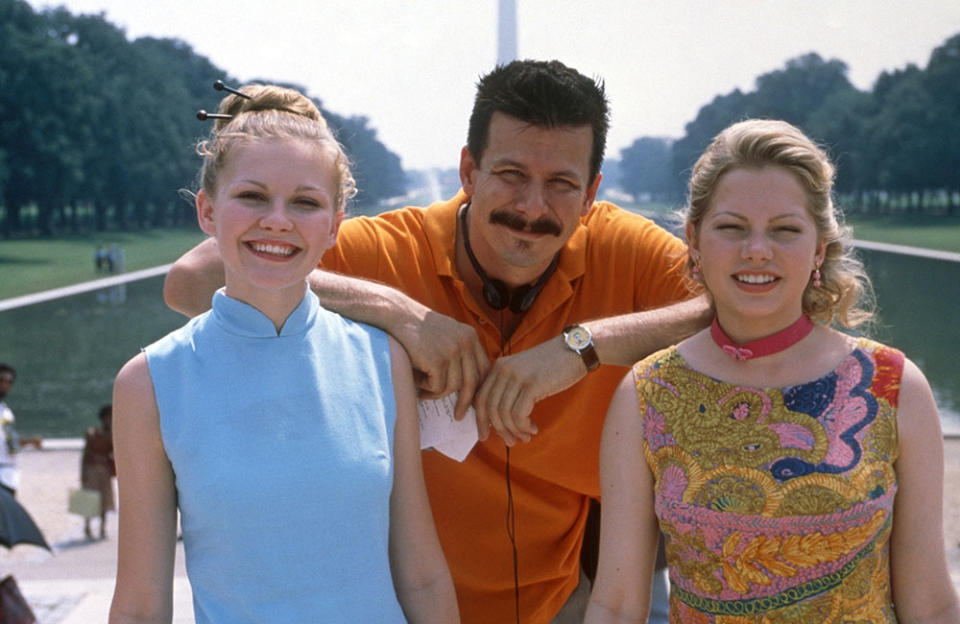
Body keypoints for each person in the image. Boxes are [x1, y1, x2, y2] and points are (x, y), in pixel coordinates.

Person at [165, 60, 711, 624]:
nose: (532, 207)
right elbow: (194, 277)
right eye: (511, 174)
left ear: (592, 192)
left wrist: (584, 347)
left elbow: (746, 314)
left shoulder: (624, 252)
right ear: (468, 171)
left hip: (560, 606)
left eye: (561, 185)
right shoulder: (394, 254)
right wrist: (399, 311)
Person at [585, 119, 960, 623]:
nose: (757, 250)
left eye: (785, 230)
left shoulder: (892, 387)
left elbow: (931, 606)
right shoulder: (647, 394)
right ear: (694, 241)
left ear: (819, 249)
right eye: (732, 227)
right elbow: (616, 605)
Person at [109, 84, 457, 624]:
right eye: (252, 196)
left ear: (335, 223)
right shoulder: (149, 383)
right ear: (207, 210)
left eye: (305, 202)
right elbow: (139, 607)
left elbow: (422, 575)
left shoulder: (382, 359)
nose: (278, 220)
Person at [0, 364, 42, 497]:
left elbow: (9, 442)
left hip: (8, 474)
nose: (5, 384)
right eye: (1, 380)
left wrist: (30, 442)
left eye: (9, 381)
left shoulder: (6, 412)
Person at [81, 404, 115, 540]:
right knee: (90, 498)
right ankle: (87, 526)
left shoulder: (112, 435)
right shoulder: (93, 433)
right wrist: (83, 473)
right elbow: (85, 454)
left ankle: (102, 528)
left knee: (104, 499)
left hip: (104, 470)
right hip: (92, 469)